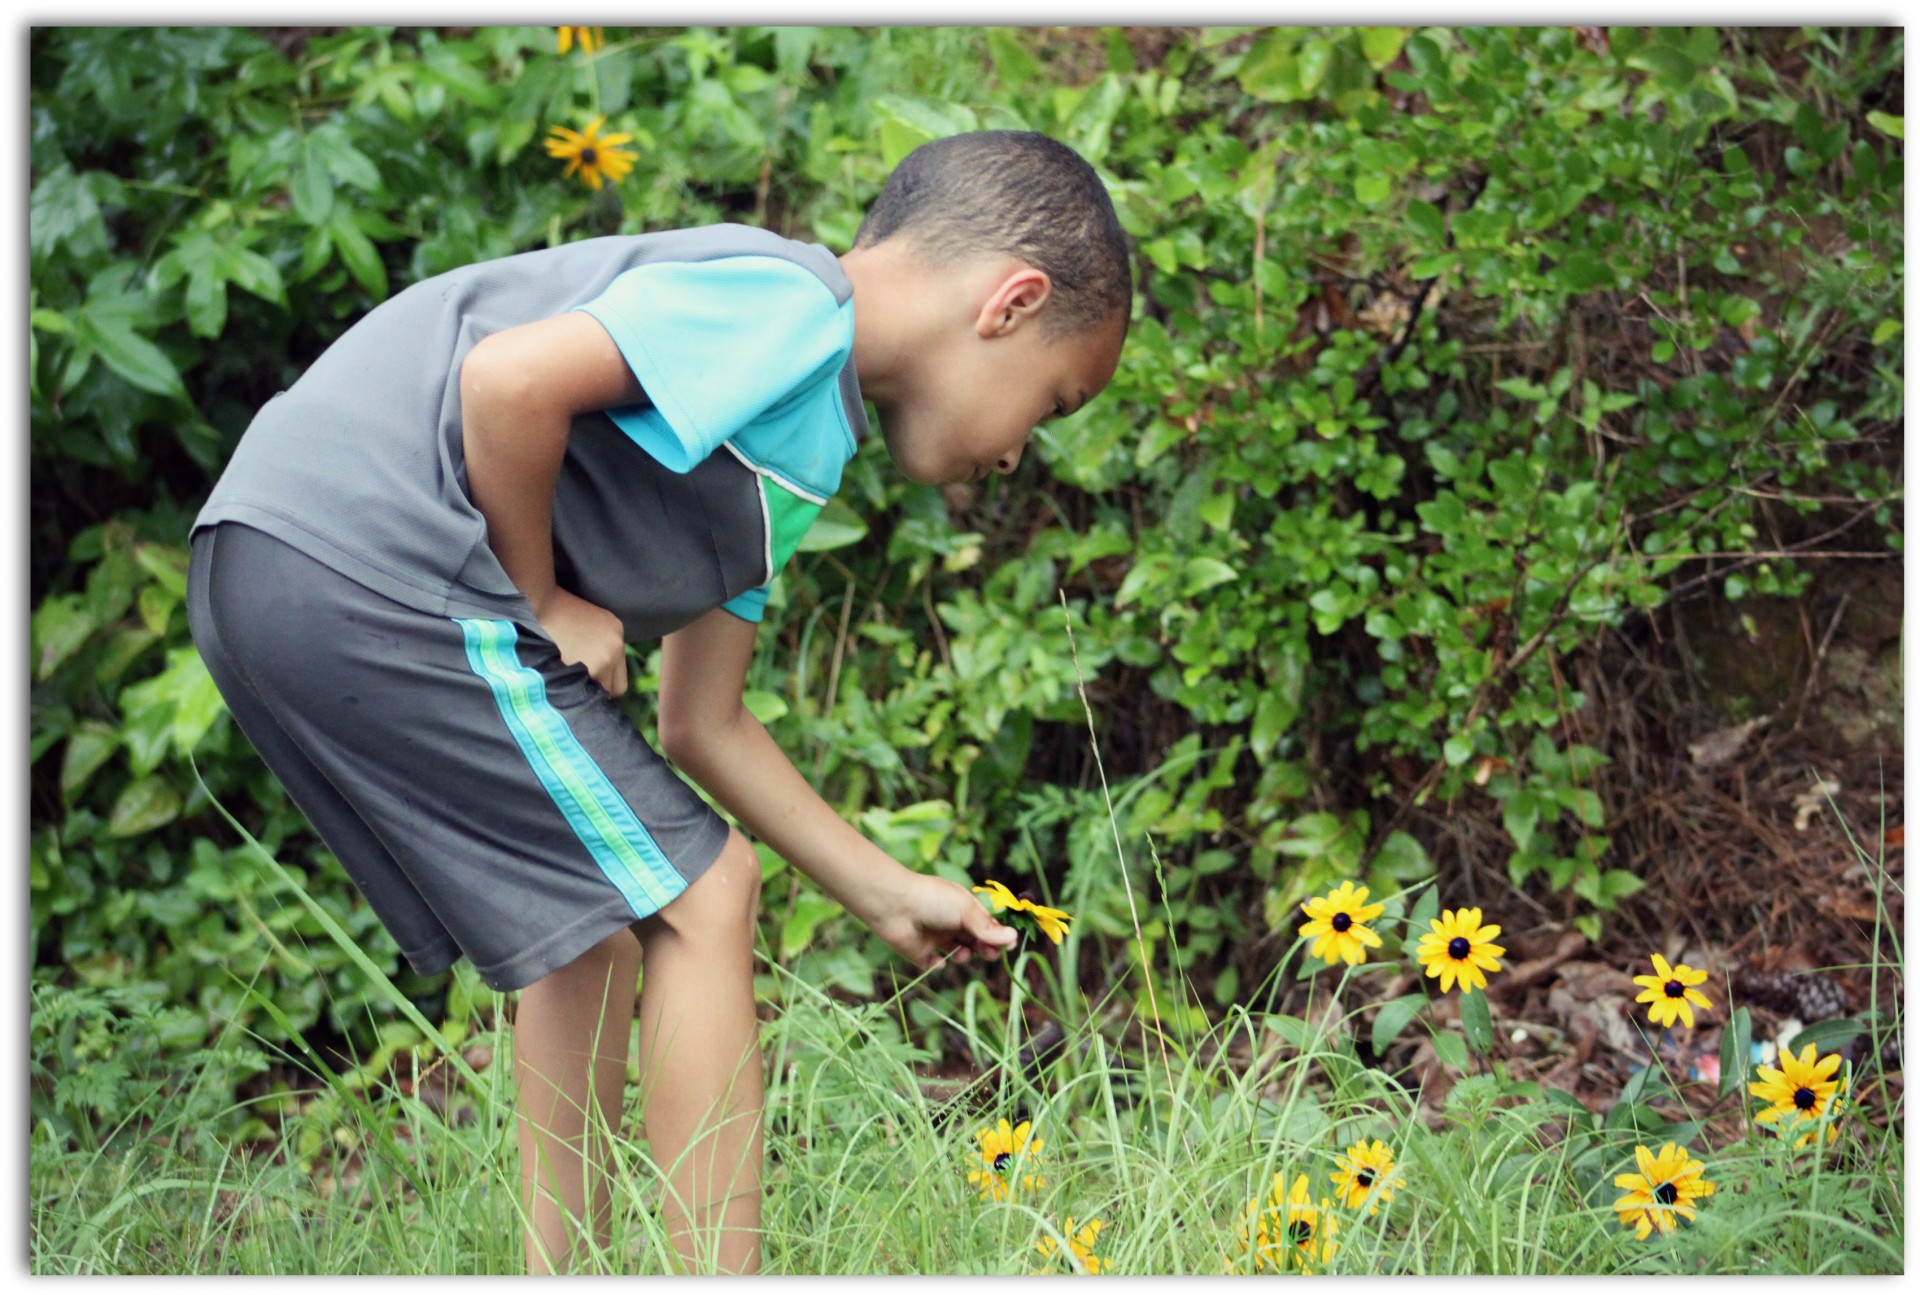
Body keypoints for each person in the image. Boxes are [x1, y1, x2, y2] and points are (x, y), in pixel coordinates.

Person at [184, 129, 1132, 1274]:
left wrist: (885, 891)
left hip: (287, 559)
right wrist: (540, 597)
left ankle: (561, 1270)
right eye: (1053, 401)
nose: (1020, 452)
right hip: (363, 553)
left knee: (599, 927)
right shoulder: (790, 307)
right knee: (702, 893)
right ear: (1011, 303)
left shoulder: (793, 447)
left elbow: (704, 724)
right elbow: (508, 380)